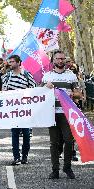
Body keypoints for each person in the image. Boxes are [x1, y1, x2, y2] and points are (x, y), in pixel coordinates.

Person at [42, 50, 81, 179]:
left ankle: (67, 167)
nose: (60, 61)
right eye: (58, 59)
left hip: (67, 113)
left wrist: (71, 94)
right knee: (54, 143)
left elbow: (78, 94)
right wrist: (44, 87)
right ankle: (55, 170)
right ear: (53, 60)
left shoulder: (71, 76)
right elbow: (39, 95)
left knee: (69, 141)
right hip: (51, 114)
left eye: (62, 59)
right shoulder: (47, 76)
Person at [2, 55, 36, 165]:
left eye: (12, 61)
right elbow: (3, 91)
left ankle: (24, 155)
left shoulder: (26, 74)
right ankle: (16, 156)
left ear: (18, 62)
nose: (10, 63)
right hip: (13, 110)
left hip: (25, 110)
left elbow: (34, 89)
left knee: (26, 134)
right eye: (9, 62)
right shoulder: (7, 76)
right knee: (15, 133)